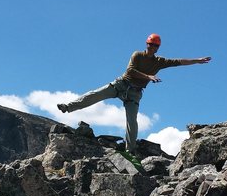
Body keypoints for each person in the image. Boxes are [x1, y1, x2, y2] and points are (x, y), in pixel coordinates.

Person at [57, 33, 211, 154]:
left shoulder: (160, 62)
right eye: (150, 44)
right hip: (121, 85)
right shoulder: (137, 55)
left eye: (155, 45)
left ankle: (129, 150)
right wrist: (148, 76)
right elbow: (130, 70)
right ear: (146, 44)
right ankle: (67, 107)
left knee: (132, 121)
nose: (152, 47)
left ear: (158, 48)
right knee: (95, 95)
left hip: (134, 94)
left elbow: (179, 62)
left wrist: (197, 60)